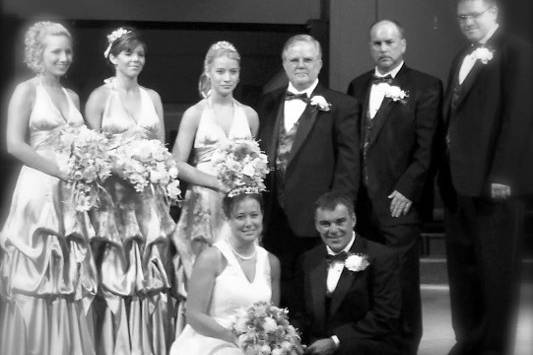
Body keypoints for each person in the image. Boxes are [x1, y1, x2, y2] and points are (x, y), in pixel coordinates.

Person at [437, 1, 533, 354]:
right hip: (459, 183)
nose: (466, 23)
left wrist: (502, 176)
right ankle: (469, 341)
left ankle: (494, 346)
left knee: (497, 273)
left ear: (493, 12)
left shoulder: (517, 52)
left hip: (495, 185)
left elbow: (518, 118)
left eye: (473, 15)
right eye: (461, 17)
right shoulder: (462, 55)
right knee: (464, 272)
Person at [0, 21, 97, 355]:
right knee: (39, 272)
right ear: (37, 53)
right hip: (39, 191)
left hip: (69, 196)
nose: (64, 57)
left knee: (67, 276)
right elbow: (14, 144)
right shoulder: (27, 90)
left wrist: (86, 166)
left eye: (67, 51)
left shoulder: (72, 95)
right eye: (56, 51)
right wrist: (61, 171)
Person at [346, 20, 442, 355]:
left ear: (402, 44)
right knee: (367, 281)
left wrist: (407, 190)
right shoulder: (357, 85)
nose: (383, 49)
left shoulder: (426, 86)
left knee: (401, 283)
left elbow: (427, 149)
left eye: (389, 42)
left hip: (400, 203)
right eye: (376, 43)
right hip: (362, 205)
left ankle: (405, 347)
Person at [84, 27, 175, 355]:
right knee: (117, 272)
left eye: (140, 54)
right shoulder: (99, 97)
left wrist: (157, 170)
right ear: (112, 57)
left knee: (150, 273)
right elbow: (89, 152)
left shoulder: (153, 97)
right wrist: (118, 167)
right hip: (114, 199)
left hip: (148, 199)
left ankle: (148, 345)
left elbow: (162, 147)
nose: (135, 59)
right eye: (128, 53)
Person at [257, 34, 359, 310]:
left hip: (316, 215)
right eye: (294, 59)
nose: (301, 65)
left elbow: (348, 166)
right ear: (284, 63)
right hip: (272, 215)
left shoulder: (342, 105)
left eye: (308, 59)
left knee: (314, 293)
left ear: (320, 63)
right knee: (278, 288)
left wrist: (337, 215)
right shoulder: (268, 102)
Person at [171, 41, 259, 329]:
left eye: (233, 71)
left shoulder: (248, 115)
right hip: (203, 205)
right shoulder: (195, 113)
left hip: (237, 205)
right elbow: (177, 163)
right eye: (220, 71)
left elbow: (254, 160)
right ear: (208, 72)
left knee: (235, 274)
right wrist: (214, 182)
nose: (227, 78)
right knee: (202, 271)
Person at [169, 192, 281, 355]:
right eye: (240, 217)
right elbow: (194, 315)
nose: (248, 223)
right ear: (228, 218)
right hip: (213, 341)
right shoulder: (211, 258)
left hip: (256, 346)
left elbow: (273, 315)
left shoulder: (271, 262)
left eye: (254, 215)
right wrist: (236, 339)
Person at [292, 192, 401, 355]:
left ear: (354, 220)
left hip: (364, 346)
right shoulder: (308, 260)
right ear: (316, 225)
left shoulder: (381, 257)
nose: (333, 230)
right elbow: (301, 313)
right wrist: (292, 337)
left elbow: (385, 316)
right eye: (325, 224)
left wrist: (336, 341)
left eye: (340, 221)